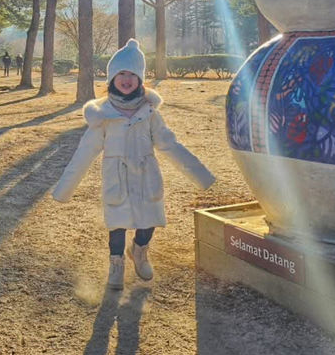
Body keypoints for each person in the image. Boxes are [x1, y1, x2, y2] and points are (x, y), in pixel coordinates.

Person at [52, 39, 215, 290]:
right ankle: (116, 263)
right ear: (111, 79)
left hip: (147, 177)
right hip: (116, 179)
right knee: (117, 227)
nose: (127, 79)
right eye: (121, 74)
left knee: (147, 223)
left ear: (140, 80)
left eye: (132, 74)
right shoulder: (102, 116)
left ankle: (139, 252)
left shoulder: (149, 112)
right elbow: (83, 154)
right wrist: (64, 189)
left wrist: (201, 175)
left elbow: (170, 145)